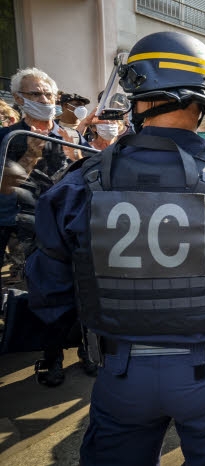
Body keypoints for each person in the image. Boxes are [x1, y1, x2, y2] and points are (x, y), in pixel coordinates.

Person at [25, 31, 205, 465]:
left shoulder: (80, 183)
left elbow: (49, 295)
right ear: (204, 103)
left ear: (140, 99)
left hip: (119, 374)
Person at [0, 67, 91, 386]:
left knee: (83, 290)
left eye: (49, 94)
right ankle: (50, 357)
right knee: (46, 294)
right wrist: (29, 157)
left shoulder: (73, 137)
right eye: (35, 94)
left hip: (68, 225)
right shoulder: (8, 137)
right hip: (25, 226)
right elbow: (6, 187)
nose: (44, 100)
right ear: (18, 98)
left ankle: (86, 349)